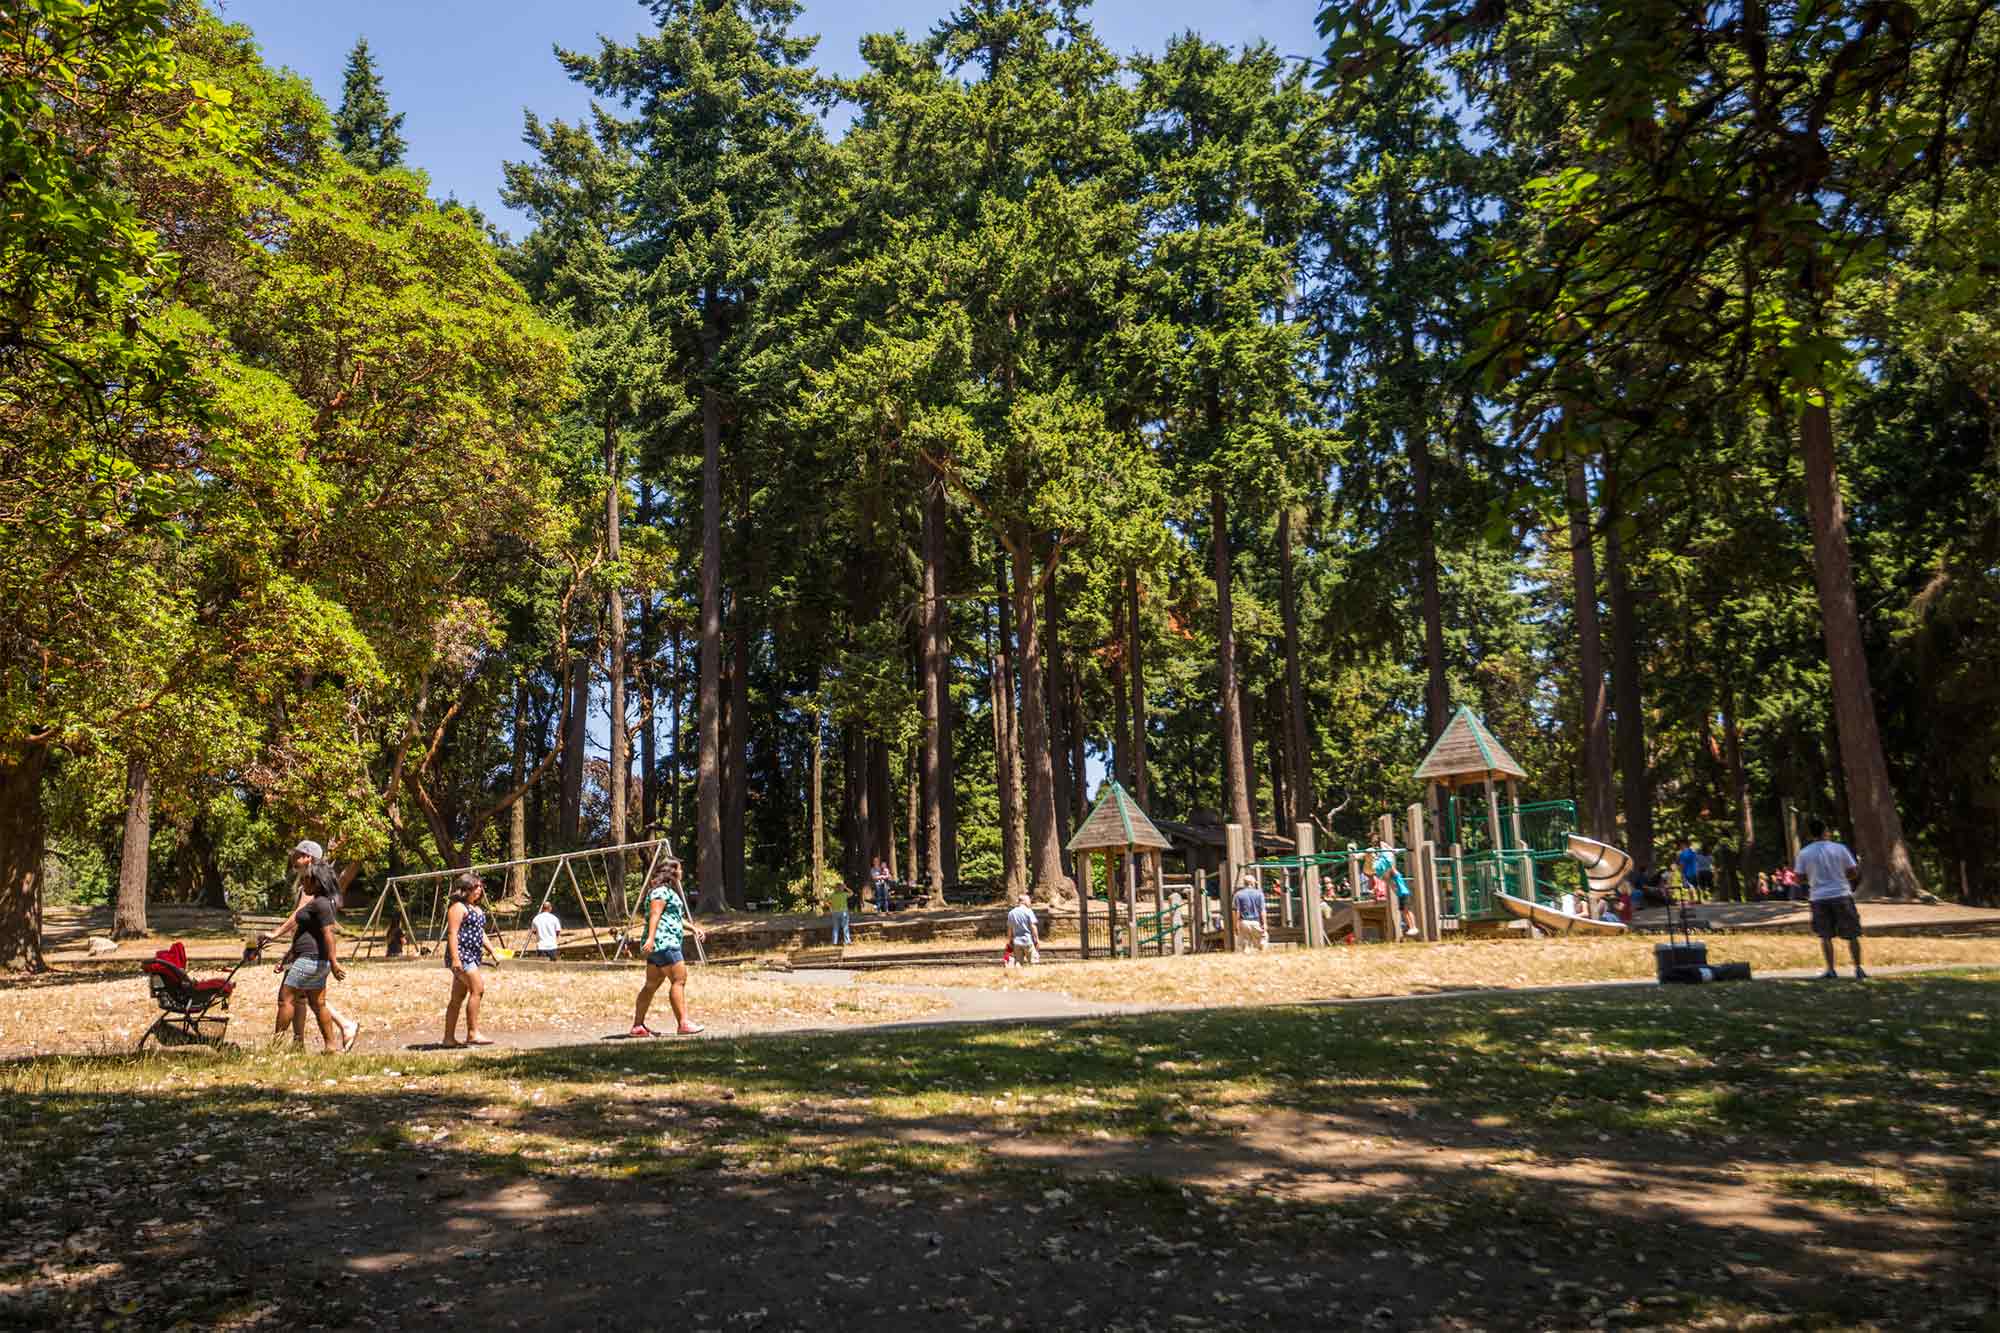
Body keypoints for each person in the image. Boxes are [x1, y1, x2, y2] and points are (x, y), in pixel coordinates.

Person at [281, 840, 359, 1050]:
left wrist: (276, 933)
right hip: (306, 951)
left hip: (309, 954)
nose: (293, 857)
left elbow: (297, 918)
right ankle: (305, 1044)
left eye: (297, 854)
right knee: (309, 999)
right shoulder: (310, 884)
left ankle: (342, 1027)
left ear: (308, 857)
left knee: (294, 997)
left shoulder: (312, 887)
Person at [258, 872, 346, 1052]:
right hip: (312, 960)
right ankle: (330, 1046)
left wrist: (334, 962)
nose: (303, 883)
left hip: (309, 960)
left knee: (285, 1000)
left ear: (318, 882)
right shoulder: (319, 903)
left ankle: (275, 1046)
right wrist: (288, 957)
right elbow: (305, 933)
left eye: (307, 880)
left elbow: (328, 933)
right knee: (317, 1003)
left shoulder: (321, 904)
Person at [631, 860, 708, 1037]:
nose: (681, 872)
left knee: (651, 984)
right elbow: (655, 915)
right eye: (679, 869)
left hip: (660, 944)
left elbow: (675, 918)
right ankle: (683, 1023)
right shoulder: (660, 892)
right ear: (671, 872)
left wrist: (694, 929)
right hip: (665, 943)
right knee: (679, 980)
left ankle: (638, 1026)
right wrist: (650, 938)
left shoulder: (666, 892)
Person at [1795, 818, 1865, 980]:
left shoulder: (1804, 853)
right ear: (1825, 831)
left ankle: (1831, 969)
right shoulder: (1839, 849)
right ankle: (1858, 968)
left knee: (1825, 935)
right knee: (1853, 934)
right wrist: (1841, 876)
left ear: (1810, 834)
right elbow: (1854, 872)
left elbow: (1798, 878)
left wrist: (1811, 878)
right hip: (1841, 894)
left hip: (1818, 897)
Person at [443, 872, 499, 1046]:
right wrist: (455, 959)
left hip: (473, 955)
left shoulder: (477, 909)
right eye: (475, 887)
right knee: (478, 989)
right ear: (465, 889)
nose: (479, 890)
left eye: (480, 887)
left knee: (458, 997)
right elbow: (452, 933)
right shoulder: (458, 907)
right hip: (461, 955)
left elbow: (480, 933)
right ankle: (472, 1033)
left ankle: (448, 1039)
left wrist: (492, 951)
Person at [1232, 872, 1268, 951]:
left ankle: (1246, 957)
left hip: (1243, 922)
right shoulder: (1259, 894)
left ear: (1244, 883)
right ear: (1252, 883)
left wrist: (1236, 925)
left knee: (1245, 945)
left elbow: (1236, 912)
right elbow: (1262, 910)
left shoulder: (1238, 894)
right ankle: (1262, 953)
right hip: (1256, 922)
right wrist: (1264, 923)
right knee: (1263, 938)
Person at [1006, 893, 1040, 965]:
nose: (1030, 902)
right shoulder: (1029, 911)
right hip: (1028, 940)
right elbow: (1033, 927)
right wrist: (1037, 939)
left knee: (1018, 963)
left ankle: (1018, 975)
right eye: (1029, 900)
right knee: (1033, 962)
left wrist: (1009, 941)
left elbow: (1010, 929)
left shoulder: (1011, 913)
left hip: (1017, 942)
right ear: (1023, 901)